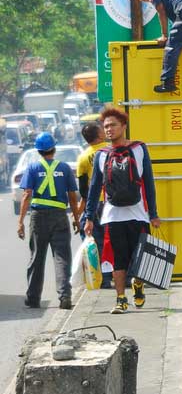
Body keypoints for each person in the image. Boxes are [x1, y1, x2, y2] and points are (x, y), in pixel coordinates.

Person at [84, 107, 159, 315]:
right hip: (112, 216)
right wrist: (89, 217)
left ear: (123, 126)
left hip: (138, 214)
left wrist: (153, 213)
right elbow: (94, 189)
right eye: (106, 126)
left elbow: (149, 183)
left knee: (141, 258)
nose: (109, 130)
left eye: (113, 125)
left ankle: (137, 284)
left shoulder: (139, 149)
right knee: (118, 259)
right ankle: (120, 299)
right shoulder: (101, 155)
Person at [16, 132, 81, 310]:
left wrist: (21, 221)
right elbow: (73, 197)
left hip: (38, 217)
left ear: (38, 151)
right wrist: (76, 219)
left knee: (37, 257)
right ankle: (65, 296)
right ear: (54, 148)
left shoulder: (32, 168)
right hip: (59, 215)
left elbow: (27, 194)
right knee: (62, 258)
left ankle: (33, 298)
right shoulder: (65, 168)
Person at [76, 120, 112, 288]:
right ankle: (124, 276)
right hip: (113, 202)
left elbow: (83, 190)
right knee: (116, 239)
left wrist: (83, 212)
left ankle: (104, 280)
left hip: (95, 204)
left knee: (98, 243)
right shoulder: (113, 149)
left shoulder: (83, 157)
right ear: (99, 135)